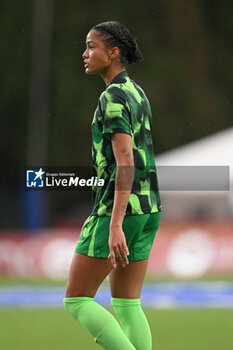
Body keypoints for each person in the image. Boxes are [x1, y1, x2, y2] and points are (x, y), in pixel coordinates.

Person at [63, 21, 162, 350]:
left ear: (114, 52)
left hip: (119, 210)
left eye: (92, 46)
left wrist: (115, 224)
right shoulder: (137, 92)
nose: (85, 53)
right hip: (149, 209)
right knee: (127, 304)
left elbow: (125, 163)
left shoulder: (113, 97)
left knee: (76, 299)